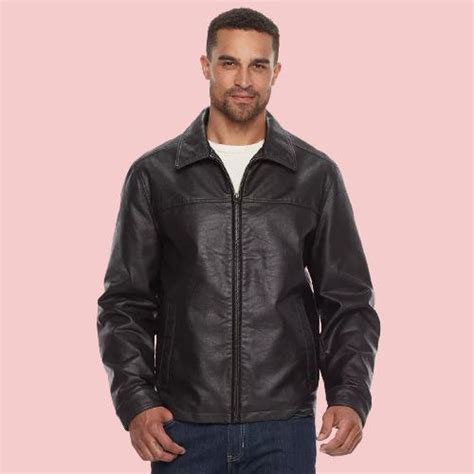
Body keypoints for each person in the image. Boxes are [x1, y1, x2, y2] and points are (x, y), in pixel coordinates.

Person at [96, 7, 381, 473]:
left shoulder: (314, 175)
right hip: (181, 425)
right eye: (229, 63)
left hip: (284, 425)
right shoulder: (155, 175)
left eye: (258, 65)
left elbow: (347, 299)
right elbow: (124, 303)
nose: (244, 80)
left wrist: (349, 394)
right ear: (206, 66)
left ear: (276, 72)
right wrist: (136, 402)